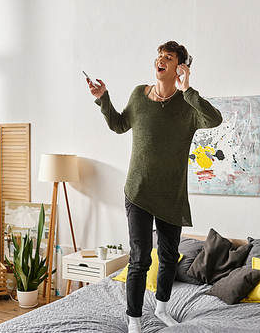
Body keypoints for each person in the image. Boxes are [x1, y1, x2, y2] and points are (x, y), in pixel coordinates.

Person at [86, 41, 222, 333]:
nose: (160, 60)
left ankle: (162, 307)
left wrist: (188, 90)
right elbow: (119, 125)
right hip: (138, 191)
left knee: (170, 256)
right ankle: (134, 319)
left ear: (179, 68)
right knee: (139, 257)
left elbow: (215, 119)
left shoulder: (187, 105)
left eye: (168, 57)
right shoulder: (139, 94)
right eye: (159, 56)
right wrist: (103, 98)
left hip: (172, 195)